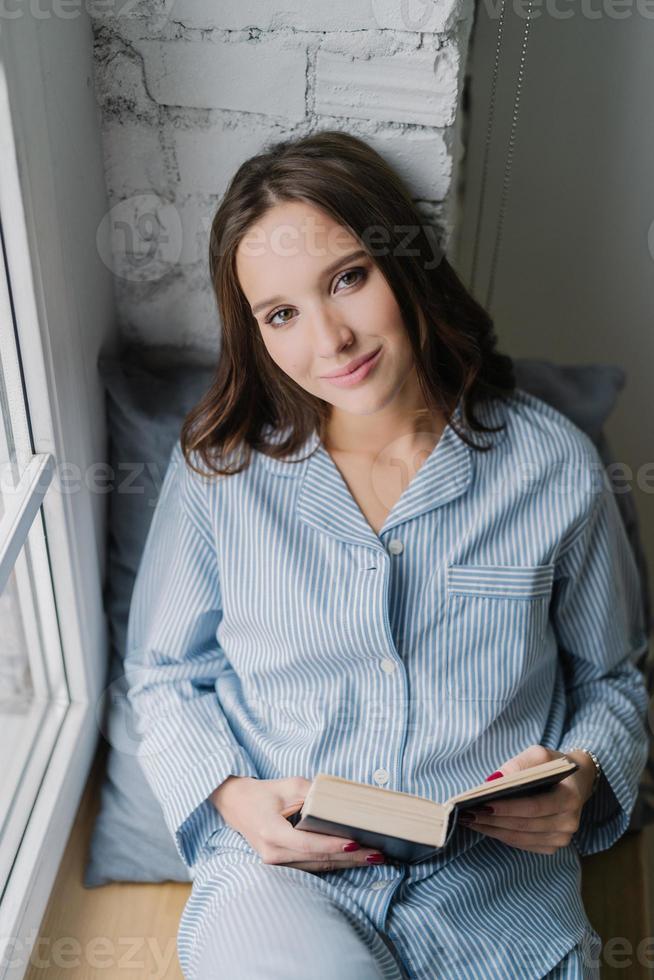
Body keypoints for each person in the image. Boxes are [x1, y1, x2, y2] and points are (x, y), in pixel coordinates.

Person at [124, 130, 649, 980]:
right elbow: (162, 674)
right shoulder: (220, 474)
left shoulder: (552, 466)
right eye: (281, 314)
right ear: (255, 333)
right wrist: (231, 799)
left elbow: (611, 681)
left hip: (498, 901)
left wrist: (583, 776)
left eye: (347, 279)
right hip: (282, 882)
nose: (329, 339)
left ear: (404, 267)